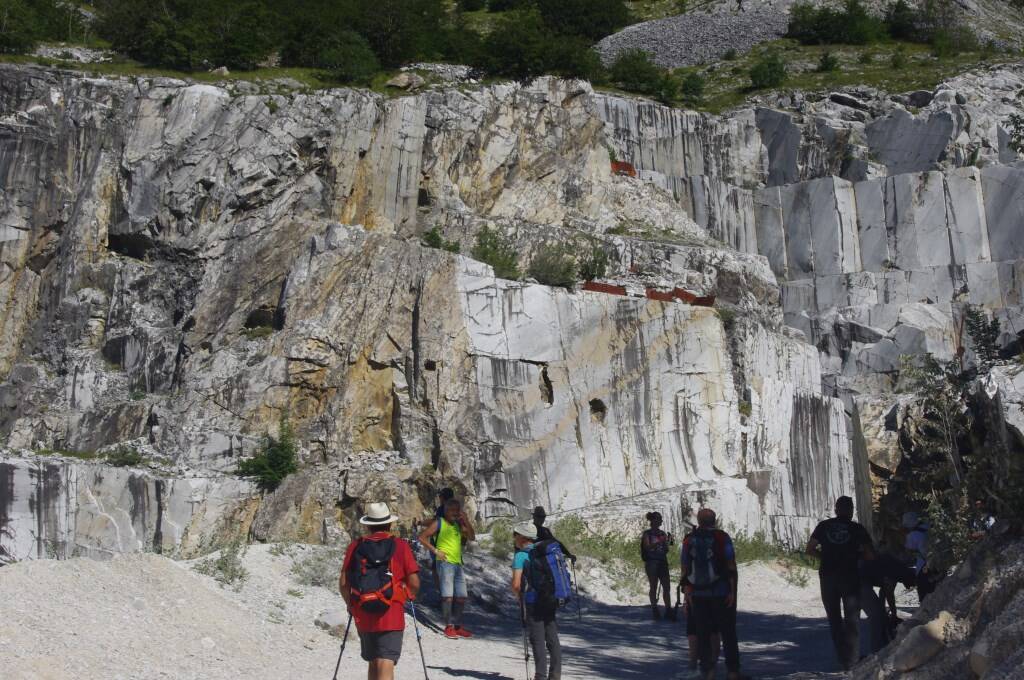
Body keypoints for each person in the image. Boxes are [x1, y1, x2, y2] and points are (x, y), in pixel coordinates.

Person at [339, 502, 420, 680]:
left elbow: (344, 583)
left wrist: (351, 604)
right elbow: (414, 582)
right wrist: (405, 596)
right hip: (392, 610)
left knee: (374, 661)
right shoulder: (400, 546)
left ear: (367, 525)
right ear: (390, 524)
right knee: (386, 660)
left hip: (363, 609)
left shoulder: (355, 546)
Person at [807, 496, 873, 671]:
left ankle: (842, 659)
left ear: (836, 510)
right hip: (849, 577)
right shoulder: (857, 528)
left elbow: (810, 549)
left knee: (834, 619)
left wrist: (825, 557)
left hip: (827, 577)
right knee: (852, 619)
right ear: (851, 510)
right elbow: (869, 555)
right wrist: (858, 557)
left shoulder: (823, 526)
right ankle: (853, 661)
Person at [680, 508, 744, 680]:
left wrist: (687, 594)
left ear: (699, 521)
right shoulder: (722, 537)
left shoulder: (689, 539)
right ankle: (732, 671)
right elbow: (730, 564)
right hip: (721, 591)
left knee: (703, 633)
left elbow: (685, 568)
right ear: (715, 521)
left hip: (698, 594)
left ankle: (708, 671)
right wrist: (732, 590)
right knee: (728, 632)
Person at [419, 498, 476, 639]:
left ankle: (457, 625)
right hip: (444, 563)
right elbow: (422, 537)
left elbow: (472, 536)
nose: (455, 513)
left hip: (457, 564)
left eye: (457, 510)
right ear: (446, 511)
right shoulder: (440, 523)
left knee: (462, 596)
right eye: (452, 510)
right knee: (448, 597)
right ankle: (448, 627)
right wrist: (436, 551)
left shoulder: (458, 525)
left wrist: (466, 520)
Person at [512, 521, 562, 680]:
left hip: (533, 601)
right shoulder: (545, 552)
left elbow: (516, 584)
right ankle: (555, 676)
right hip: (550, 599)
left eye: (515, 535)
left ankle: (540, 676)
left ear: (522, 537)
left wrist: (519, 598)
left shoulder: (520, 556)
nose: (513, 538)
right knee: (552, 638)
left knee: (538, 640)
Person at [859, 551, 916, 653]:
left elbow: (883, 592)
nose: (909, 587)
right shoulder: (895, 572)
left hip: (860, 577)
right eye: (910, 585)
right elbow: (888, 594)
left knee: (881, 615)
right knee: (877, 617)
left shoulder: (896, 566)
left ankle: (881, 646)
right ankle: (877, 651)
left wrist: (884, 611)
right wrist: (893, 614)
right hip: (858, 582)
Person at [641, 511, 676, 620]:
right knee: (653, 585)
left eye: (661, 519)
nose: (661, 521)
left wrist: (670, 540)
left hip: (662, 562)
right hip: (651, 562)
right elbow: (647, 547)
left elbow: (668, 547)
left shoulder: (662, 533)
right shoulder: (647, 534)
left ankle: (668, 610)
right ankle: (655, 609)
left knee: (667, 586)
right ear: (653, 521)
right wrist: (659, 542)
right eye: (659, 519)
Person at [902, 511, 938, 602]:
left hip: (923, 565)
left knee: (924, 592)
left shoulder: (912, 535)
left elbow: (908, 550)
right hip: (938, 562)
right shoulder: (929, 526)